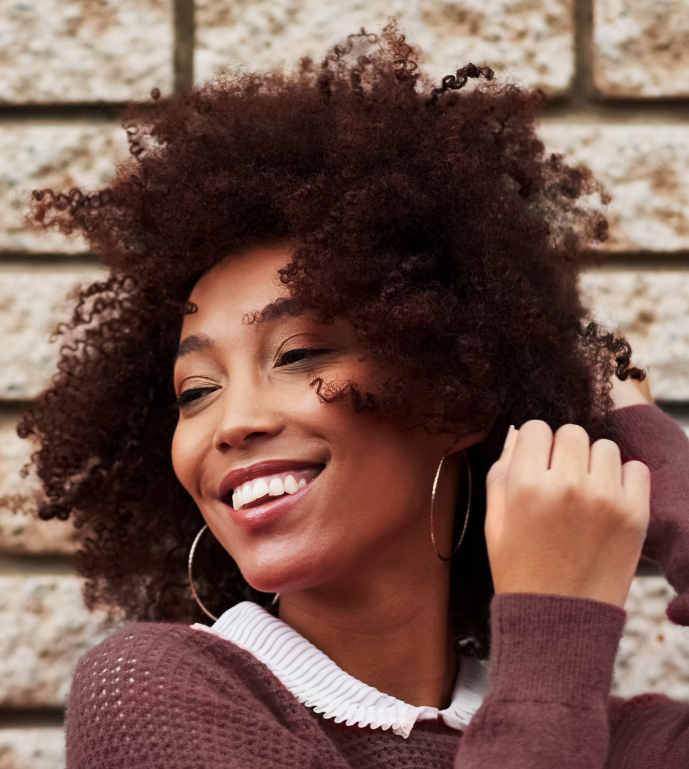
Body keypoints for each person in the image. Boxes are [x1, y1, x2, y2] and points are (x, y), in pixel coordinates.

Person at [18, 24, 689, 768]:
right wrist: (555, 634)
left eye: (298, 353)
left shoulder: (623, 740)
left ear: (453, 395)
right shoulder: (154, 692)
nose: (232, 423)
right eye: (196, 390)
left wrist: (645, 448)